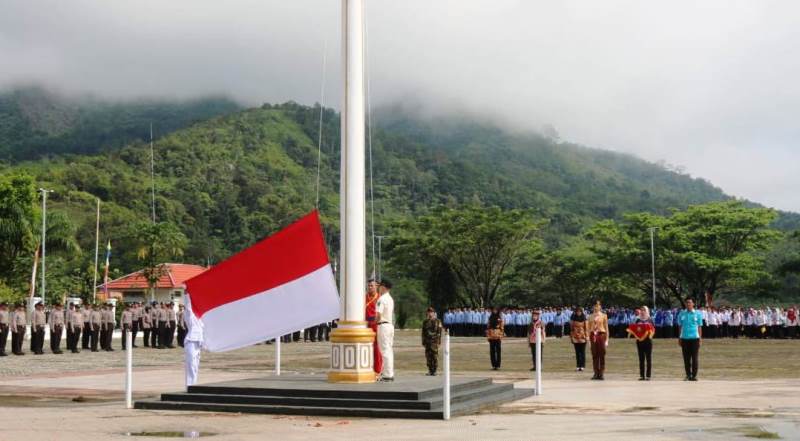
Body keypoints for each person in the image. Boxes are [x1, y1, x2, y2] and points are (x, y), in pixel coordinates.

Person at [678, 298, 703, 381]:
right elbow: (680, 326)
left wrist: (700, 338)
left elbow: (699, 327)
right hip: (684, 338)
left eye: (690, 302)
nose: (688, 304)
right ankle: (688, 375)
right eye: (687, 303)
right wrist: (680, 338)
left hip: (695, 338)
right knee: (686, 358)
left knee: (694, 358)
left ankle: (694, 375)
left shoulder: (698, 314)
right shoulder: (682, 313)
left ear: (693, 304)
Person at [183, 295, 204, 389]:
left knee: (195, 365)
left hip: (198, 343)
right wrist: (187, 294)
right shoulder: (190, 316)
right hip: (191, 341)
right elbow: (188, 307)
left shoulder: (200, 319)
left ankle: (194, 384)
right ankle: (190, 385)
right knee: (190, 364)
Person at [376, 279, 395, 382]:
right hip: (389, 325)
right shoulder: (390, 299)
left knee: (384, 350)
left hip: (383, 325)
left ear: (383, 287)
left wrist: (374, 322)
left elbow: (378, 314)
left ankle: (387, 374)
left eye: (379, 286)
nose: (378, 288)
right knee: (388, 350)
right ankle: (388, 372)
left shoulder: (382, 299)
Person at [628, 306, 655, 381]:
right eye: (641, 310)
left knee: (648, 358)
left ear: (647, 311)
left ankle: (648, 376)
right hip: (639, 341)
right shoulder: (637, 320)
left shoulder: (650, 320)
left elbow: (653, 329)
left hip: (648, 341)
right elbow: (634, 329)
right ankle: (642, 375)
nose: (642, 312)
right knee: (641, 359)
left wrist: (650, 334)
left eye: (644, 310)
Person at [365, 279, 383, 377]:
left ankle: (377, 369)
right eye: (369, 285)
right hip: (365, 325)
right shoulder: (364, 297)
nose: (370, 287)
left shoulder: (380, 298)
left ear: (376, 286)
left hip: (375, 324)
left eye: (372, 285)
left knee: (377, 348)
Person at [588, 301, 609, 380]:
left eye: (598, 306)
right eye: (595, 306)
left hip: (601, 334)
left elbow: (606, 328)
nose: (596, 307)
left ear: (600, 307)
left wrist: (607, 339)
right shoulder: (590, 316)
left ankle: (602, 373)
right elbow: (589, 329)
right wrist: (589, 340)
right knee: (595, 354)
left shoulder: (604, 316)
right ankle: (596, 373)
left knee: (602, 354)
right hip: (593, 335)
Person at [421, 307, 443, 376]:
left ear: (434, 313)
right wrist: (423, 341)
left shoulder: (438, 321)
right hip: (427, 342)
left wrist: (439, 342)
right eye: (429, 312)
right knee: (428, 356)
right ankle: (430, 370)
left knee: (434, 356)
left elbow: (439, 332)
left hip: (434, 342)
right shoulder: (425, 322)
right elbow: (423, 333)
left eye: (431, 312)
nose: (430, 313)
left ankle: (435, 370)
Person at [569, 307, 588, 372]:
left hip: (583, 337)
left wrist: (587, 337)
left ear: (581, 312)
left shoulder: (584, 318)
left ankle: (582, 366)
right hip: (575, 337)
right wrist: (571, 337)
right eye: (577, 312)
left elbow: (586, 328)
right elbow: (571, 329)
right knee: (577, 352)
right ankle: (578, 366)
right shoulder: (573, 319)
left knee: (582, 352)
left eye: (579, 311)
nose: (578, 313)